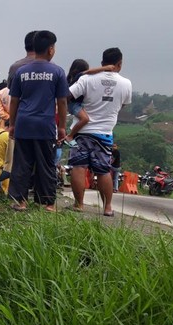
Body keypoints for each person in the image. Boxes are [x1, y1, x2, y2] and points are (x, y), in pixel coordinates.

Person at [7, 30, 69, 212]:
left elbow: (14, 100)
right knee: (46, 164)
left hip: (24, 124)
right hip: (45, 125)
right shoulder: (57, 72)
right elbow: (62, 101)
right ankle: (48, 204)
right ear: (50, 49)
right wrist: (62, 127)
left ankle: (21, 201)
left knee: (22, 163)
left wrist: (12, 124)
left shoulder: (21, 72)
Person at [66, 47, 133, 216]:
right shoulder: (126, 84)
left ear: (102, 62)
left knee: (78, 167)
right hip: (105, 134)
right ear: (120, 63)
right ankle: (108, 207)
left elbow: (67, 95)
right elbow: (122, 105)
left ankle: (79, 204)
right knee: (103, 170)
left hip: (81, 132)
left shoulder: (88, 79)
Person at [65, 59, 116, 136]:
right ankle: (70, 136)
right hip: (73, 104)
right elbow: (90, 72)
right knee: (85, 119)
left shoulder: (70, 78)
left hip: (75, 103)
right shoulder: (80, 76)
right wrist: (105, 68)